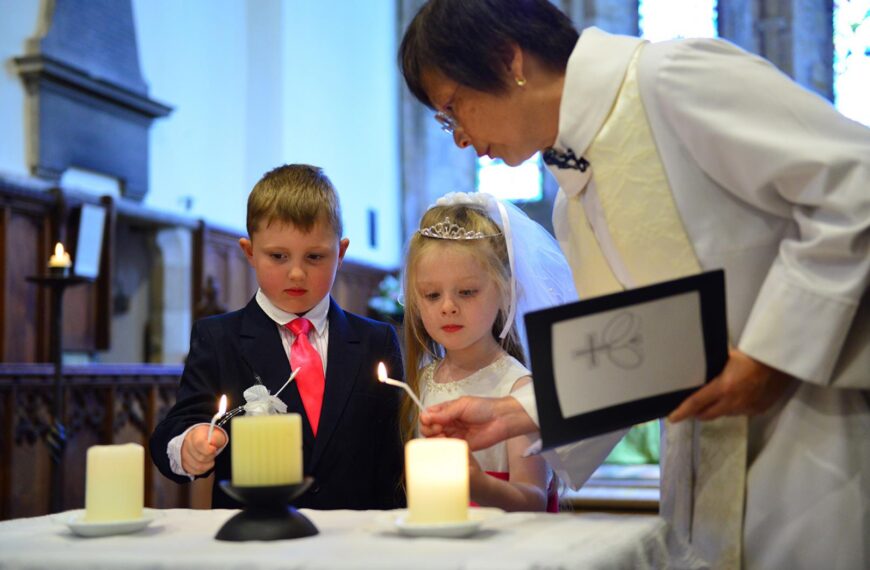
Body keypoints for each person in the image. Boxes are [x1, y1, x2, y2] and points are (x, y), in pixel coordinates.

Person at [399, 1, 870, 569]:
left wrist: (769, 356)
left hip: (816, 439)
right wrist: (519, 412)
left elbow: (856, 182)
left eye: (453, 110)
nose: (459, 139)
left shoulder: (672, 80)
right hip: (701, 463)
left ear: (508, 59)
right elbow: (635, 351)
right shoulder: (574, 202)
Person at [150, 164, 405, 510]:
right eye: (278, 256)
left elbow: (395, 450)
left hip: (357, 538)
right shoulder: (219, 338)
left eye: (315, 257)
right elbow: (178, 424)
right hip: (255, 536)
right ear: (249, 252)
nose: (297, 273)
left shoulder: (376, 340)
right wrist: (188, 444)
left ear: (341, 253)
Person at [401, 191, 582, 512]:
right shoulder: (422, 379)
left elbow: (534, 500)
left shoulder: (518, 389)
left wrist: (479, 485)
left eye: (467, 292)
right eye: (431, 295)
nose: (447, 307)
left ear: (504, 292)